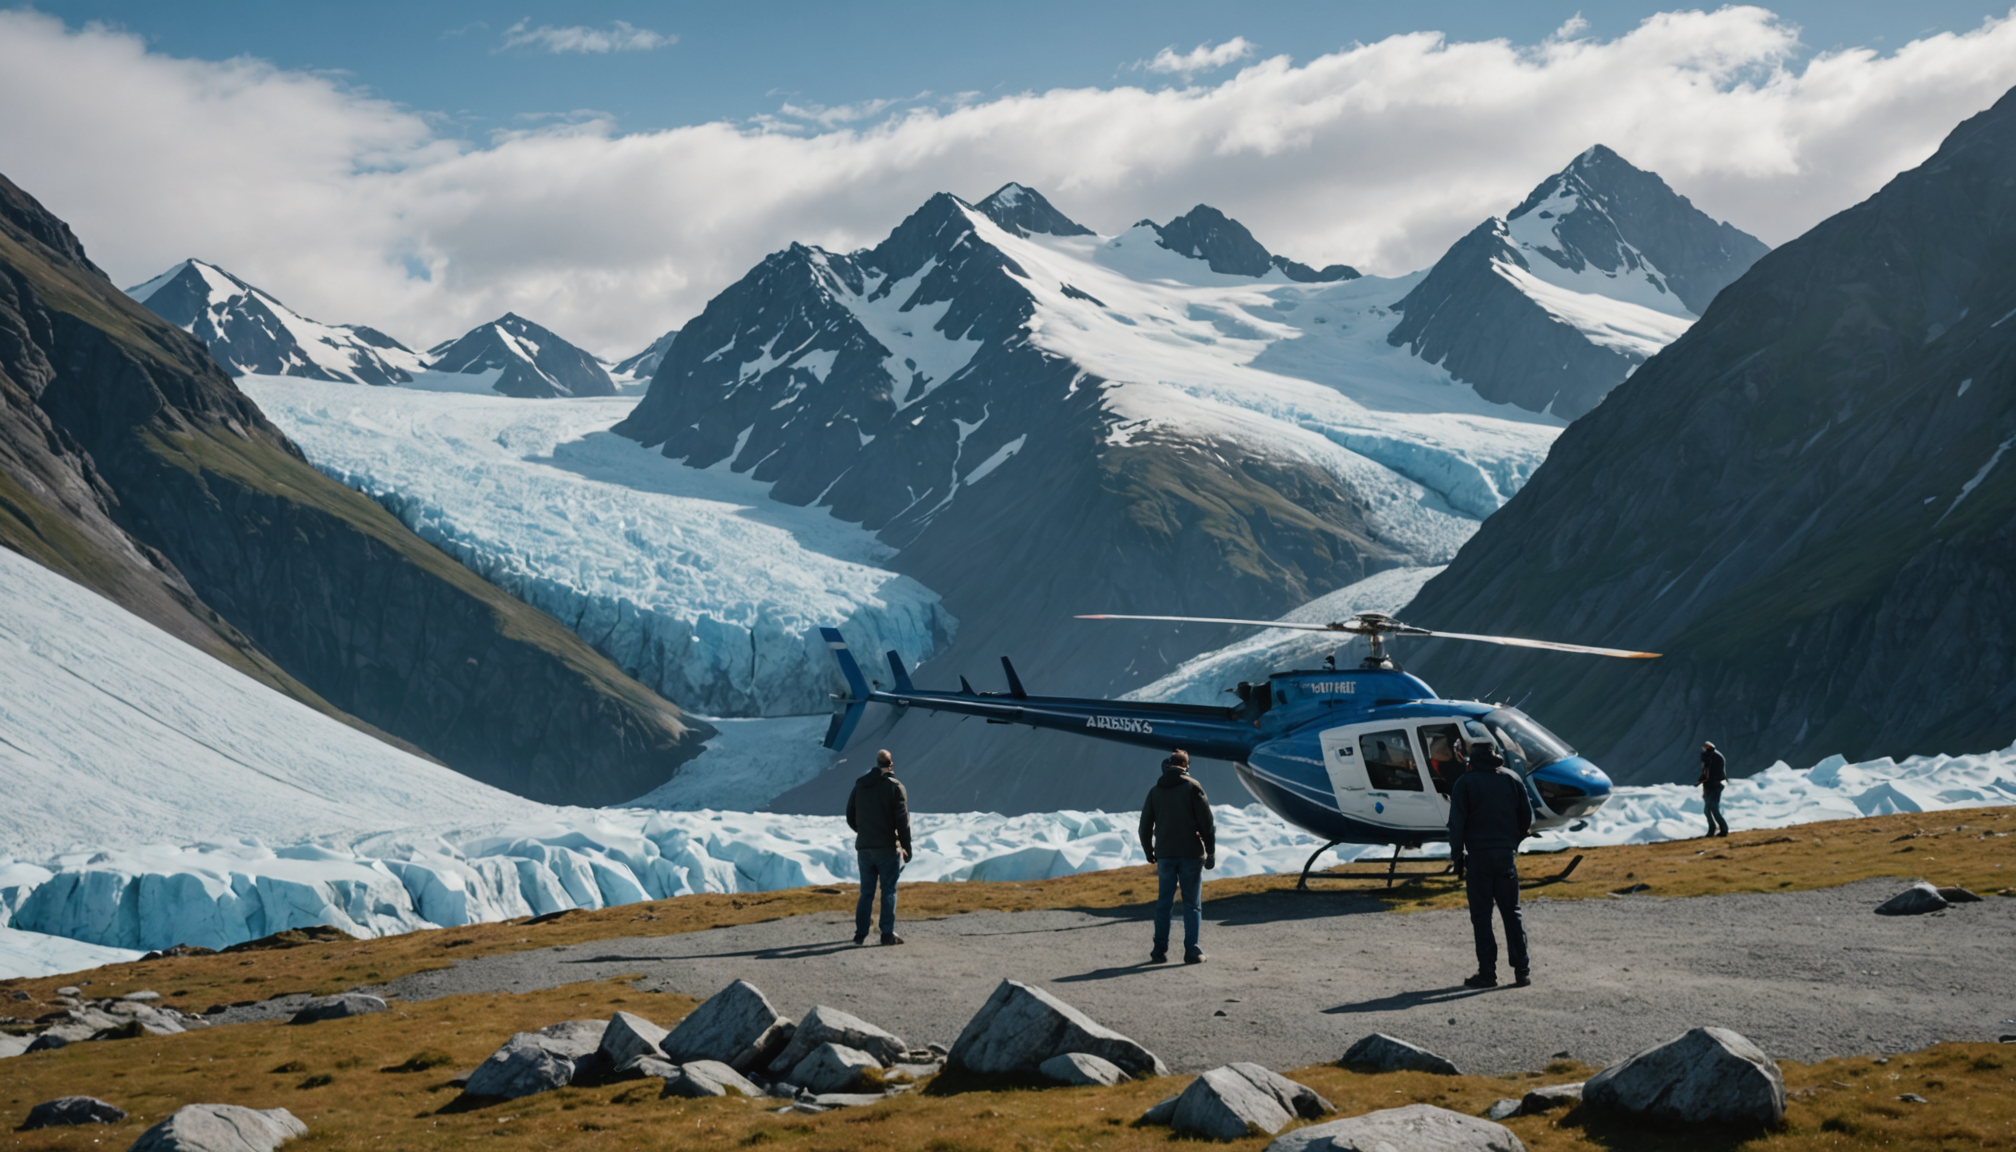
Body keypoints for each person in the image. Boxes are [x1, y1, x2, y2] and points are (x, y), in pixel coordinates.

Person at [1447, 736, 1533, 988]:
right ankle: (1522, 972)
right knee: (1512, 913)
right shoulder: (1511, 779)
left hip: (1478, 859)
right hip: (1505, 857)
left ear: (1473, 757)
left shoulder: (1465, 783)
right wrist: (1512, 844)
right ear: (1495, 754)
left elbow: (1457, 824)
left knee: (1482, 917)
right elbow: (1526, 818)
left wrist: (1457, 856)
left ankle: (1488, 974)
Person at [1138, 749, 1215, 964]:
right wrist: (1211, 851)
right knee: (1192, 904)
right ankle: (1192, 951)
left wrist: (1149, 852)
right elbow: (1206, 823)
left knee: (1164, 903)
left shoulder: (1155, 791)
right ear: (1186, 766)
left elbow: (1144, 825)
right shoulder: (1193, 788)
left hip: (1165, 854)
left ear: (1168, 765)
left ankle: (1159, 951)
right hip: (1191, 854)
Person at [845, 749, 912, 945]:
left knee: (866, 892)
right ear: (890, 764)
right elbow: (903, 822)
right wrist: (907, 848)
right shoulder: (895, 787)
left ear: (876, 763)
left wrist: (863, 831)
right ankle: (886, 934)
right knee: (888, 890)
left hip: (864, 847)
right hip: (887, 847)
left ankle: (860, 935)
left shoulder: (860, 784)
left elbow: (850, 814)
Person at [1699, 741, 1729, 838]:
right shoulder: (1714, 756)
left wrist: (1705, 784)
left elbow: (1709, 774)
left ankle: (1721, 829)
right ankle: (1715, 829)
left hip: (1714, 786)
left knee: (1712, 808)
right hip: (1713, 786)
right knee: (1709, 809)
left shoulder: (1712, 757)